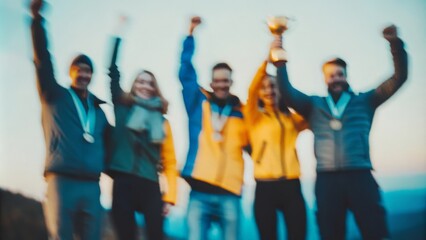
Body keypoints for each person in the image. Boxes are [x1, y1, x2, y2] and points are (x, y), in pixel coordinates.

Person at [274, 25, 408, 239]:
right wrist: (280, 63)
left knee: (376, 231)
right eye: (330, 75)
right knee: (330, 234)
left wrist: (394, 44)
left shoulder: (366, 100)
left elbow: (398, 78)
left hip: (360, 175)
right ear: (324, 79)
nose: (335, 79)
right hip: (327, 180)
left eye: (339, 74)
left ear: (345, 76)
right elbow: (287, 93)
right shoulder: (313, 105)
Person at [29, 0, 110, 239]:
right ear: (70, 73)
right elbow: (42, 60)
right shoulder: (54, 95)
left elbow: (112, 144)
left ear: (91, 75)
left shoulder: (99, 111)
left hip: (92, 186)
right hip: (61, 180)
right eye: (79, 70)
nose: (83, 74)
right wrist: (37, 21)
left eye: (87, 71)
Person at [178, 16, 248, 240]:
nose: (221, 84)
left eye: (225, 80)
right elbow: (186, 73)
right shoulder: (197, 103)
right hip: (199, 192)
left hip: (230, 192)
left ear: (231, 82)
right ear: (211, 83)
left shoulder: (242, 112)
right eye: (217, 80)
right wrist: (190, 34)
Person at [106, 25, 178, 240]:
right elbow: (112, 72)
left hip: (150, 185)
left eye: (150, 83)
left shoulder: (163, 122)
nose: (145, 86)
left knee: (157, 235)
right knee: (125, 235)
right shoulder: (122, 108)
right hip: (123, 182)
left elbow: (171, 162)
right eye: (140, 82)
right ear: (134, 85)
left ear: (155, 89)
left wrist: (170, 197)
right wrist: (118, 36)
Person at [244, 59, 308, 240]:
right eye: (264, 87)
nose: (269, 90)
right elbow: (251, 89)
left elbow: (312, 115)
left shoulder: (292, 119)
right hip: (265, 187)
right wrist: (268, 59)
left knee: (297, 235)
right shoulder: (253, 116)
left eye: (273, 86)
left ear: (280, 90)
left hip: (292, 186)